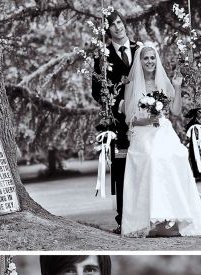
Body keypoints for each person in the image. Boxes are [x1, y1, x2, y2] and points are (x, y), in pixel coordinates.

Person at [121, 43, 201, 237]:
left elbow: (176, 111)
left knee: (178, 154)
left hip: (163, 130)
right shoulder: (132, 84)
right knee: (153, 157)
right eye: (146, 58)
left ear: (156, 59)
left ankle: (174, 218)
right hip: (142, 132)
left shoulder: (164, 81)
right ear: (140, 61)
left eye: (153, 58)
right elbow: (130, 119)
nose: (150, 61)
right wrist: (147, 120)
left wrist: (177, 88)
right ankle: (153, 220)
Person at [91, 10, 138, 235]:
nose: (118, 27)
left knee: (144, 166)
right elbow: (96, 91)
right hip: (118, 123)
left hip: (143, 119)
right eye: (112, 25)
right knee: (121, 171)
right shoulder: (103, 55)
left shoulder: (140, 50)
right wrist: (114, 102)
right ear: (107, 31)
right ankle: (123, 220)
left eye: (119, 22)